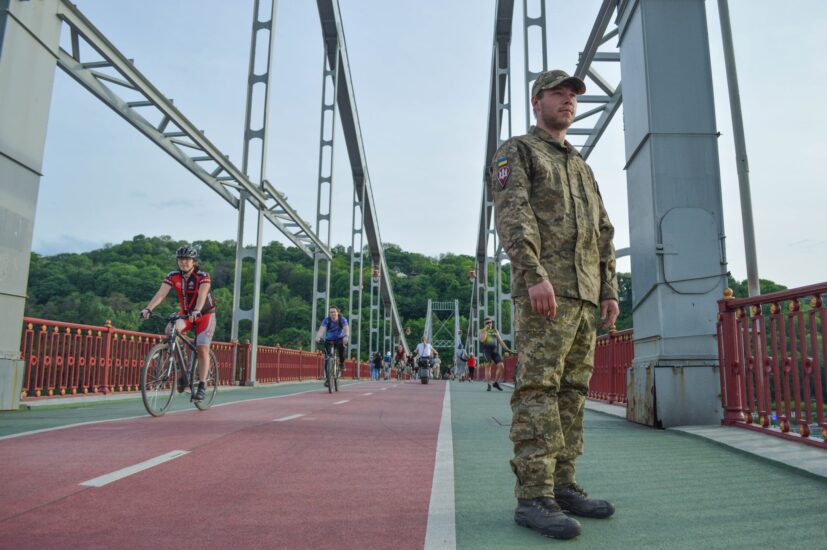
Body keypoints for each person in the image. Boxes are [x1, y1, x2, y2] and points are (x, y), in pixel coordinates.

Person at [491, 69, 620, 540]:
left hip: (585, 297)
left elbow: (602, 231)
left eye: (573, 96)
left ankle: (563, 486)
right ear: (536, 102)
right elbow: (513, 214)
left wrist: (609, 289)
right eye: (557, 94)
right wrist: (533, 275)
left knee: (572, 393)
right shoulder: (518, 152)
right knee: (539, 391)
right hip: (546, 292)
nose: (568, 101)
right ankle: (533, 497)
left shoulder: (581, 166)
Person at [141, 244, 217, 402]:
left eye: (187, 259)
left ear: (193, 261)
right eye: (181, 259)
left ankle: (202, 386)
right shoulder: (173, 276)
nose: (184, 262)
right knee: (170, 330)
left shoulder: (202, 275)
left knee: (202, 347)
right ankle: (180, 369)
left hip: (205, 315)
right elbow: (161, 294)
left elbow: (202, 295)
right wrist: (148, 308)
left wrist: (196, 310)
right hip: (186, 314)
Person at [315, 306, 350, 386]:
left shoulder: (342, 320)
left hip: (340, 339)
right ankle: (328, 379)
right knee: (327, 358)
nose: (333, 313)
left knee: (342, 348)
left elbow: (346, 328)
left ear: (338, 312)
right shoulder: (327, 320)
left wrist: (346, 336)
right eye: (331, 312)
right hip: (329, 340)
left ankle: (341, 363)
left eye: (334, 312)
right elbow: (322, 329)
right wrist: (318, 336)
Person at [480, 316, 512, 391]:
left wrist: (507, 349)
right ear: (484, 324)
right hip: (487, 351)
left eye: (490, 322)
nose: (489, 324)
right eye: (487, 323)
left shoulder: (495, 330)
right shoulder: (482, 331)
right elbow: (482, 340)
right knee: (488, 366)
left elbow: (500, 341)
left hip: (494, 351)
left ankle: (496, 383)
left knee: (501, 366)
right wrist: (485, 330)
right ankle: (489, 384)